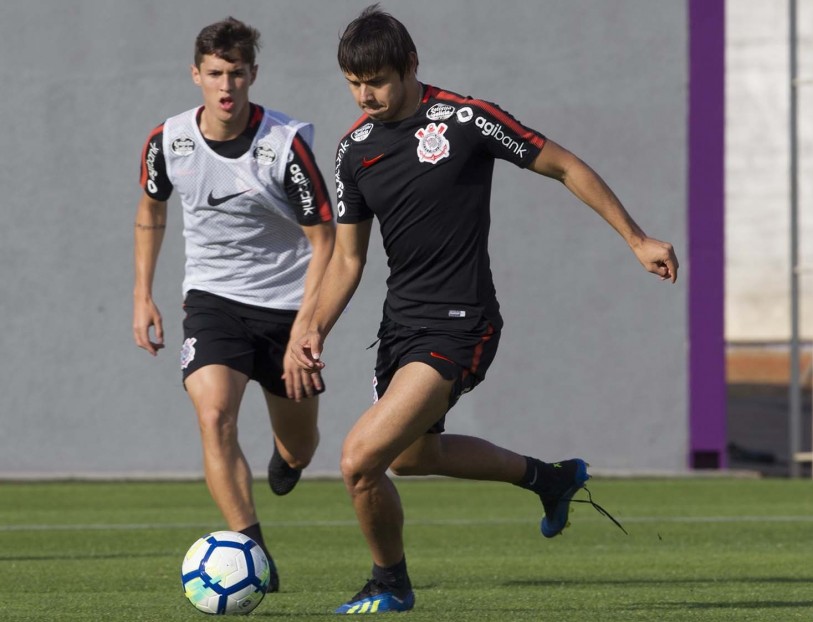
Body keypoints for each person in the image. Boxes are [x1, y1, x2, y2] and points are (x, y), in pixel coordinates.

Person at [291, 4, 679, 614]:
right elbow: (346, 262)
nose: (365, 95)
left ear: (411, 65)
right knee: (414, 457)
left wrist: (636, 239)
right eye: (353, 84)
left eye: (377, 81)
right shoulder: (352, 152)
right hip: (400, 330)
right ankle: (549, 479)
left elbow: (564, 165)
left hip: (462, 323)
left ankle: (390, 582)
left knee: (360, 461)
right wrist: (310, 327)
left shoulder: (467, 118)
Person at [132, 17, 335, 593]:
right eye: (215, 73)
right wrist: (142, 295)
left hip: (288, 307)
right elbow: (151, 212)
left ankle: (289, 460)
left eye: (237, 74)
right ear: (196, 75)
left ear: (253, 75)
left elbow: (326, 241)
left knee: (300, 442)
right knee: (214, 414)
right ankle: (255, 553)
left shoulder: (286, 145)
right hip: (213, 300)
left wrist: (306, 328)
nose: (227, 86)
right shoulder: (166, 141)